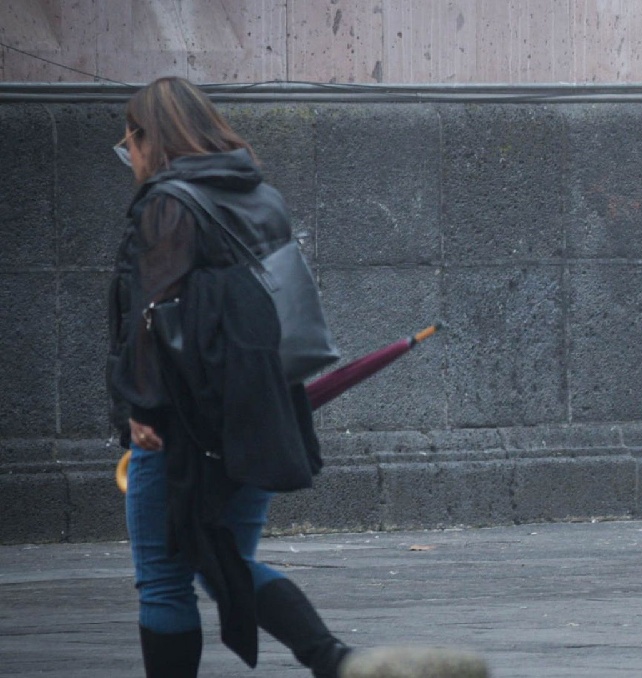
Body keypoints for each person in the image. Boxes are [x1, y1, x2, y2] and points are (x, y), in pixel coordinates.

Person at [107, 76, 488, 678]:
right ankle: (336, 663)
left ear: (147, 137)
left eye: (129, 144)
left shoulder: (167, 203)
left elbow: (155, 313)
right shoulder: (262, 196)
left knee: (164, 576)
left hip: (183, 422)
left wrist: (143, 410)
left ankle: (336, 662)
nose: (130, 158)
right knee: (223, 560)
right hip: (263, 411)